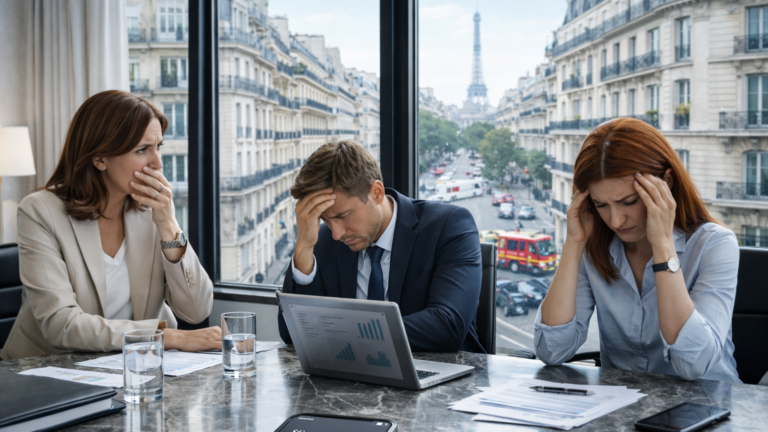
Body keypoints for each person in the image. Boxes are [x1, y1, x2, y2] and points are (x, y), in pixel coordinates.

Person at [1, 90, 220, 361]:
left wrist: (168, 224)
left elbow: (197, 311)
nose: (158, 164)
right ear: (100, 158)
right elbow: (62, 326)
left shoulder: (153, 210)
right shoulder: (40, 211)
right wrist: (165, 336)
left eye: (158, 146)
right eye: (142, 150)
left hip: (132, 366)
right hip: (48, 372)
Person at [535, 117, 740, 383]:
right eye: (601, 205)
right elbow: (551, 350)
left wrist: (663, 245)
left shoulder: (715, 244)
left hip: (709, 408)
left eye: (628, 201)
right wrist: (573, 244)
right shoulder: (595, 247)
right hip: (622, 406)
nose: (616, 220)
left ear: (665, 183)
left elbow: (693, 364)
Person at [278, 141, 485, 353]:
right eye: (325, 219)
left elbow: (448, 326)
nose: (336, 233)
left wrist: (339, 331)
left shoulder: (449, 226)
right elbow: (292, 333)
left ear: (376, 192)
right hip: (354, 379)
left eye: (343, 216)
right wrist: (303, 246)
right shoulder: (324, 239)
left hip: (444, 374)